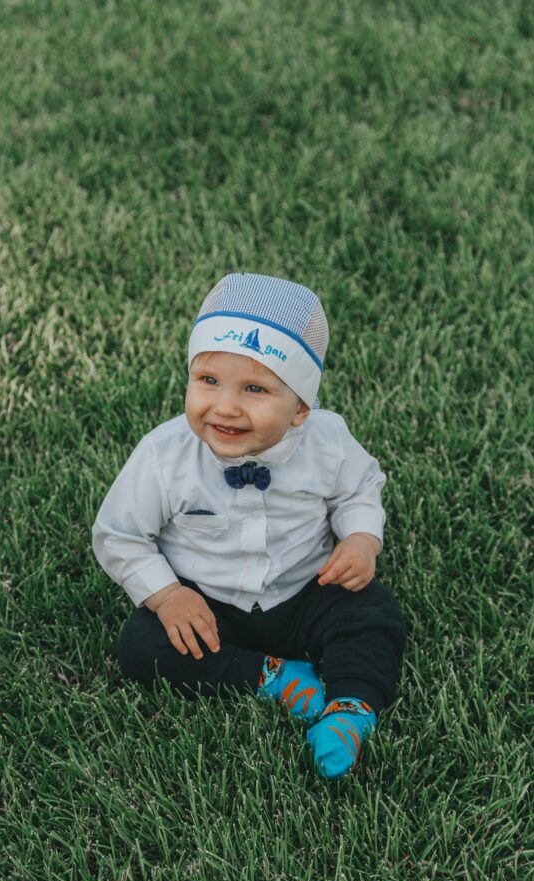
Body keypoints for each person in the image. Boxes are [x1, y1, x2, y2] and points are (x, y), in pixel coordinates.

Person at [92, 272, 406, 779]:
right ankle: (270, 677)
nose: (226, 406)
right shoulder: (163, 456)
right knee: (142, 645)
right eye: (208, 380)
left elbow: (358, 488)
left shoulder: (327, 440)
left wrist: (362, 536)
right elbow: (120, 534)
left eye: (255, 388)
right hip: (210, 601)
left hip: (307, 587)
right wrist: (168, 595)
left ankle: (351, 707)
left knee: (373, 613)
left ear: (301, 407)